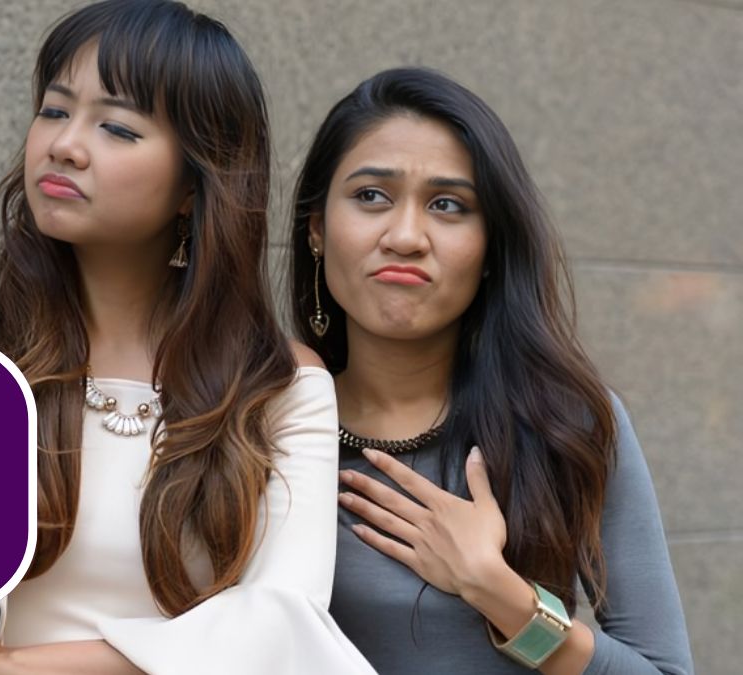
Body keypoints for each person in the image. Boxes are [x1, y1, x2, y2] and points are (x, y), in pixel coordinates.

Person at [0, 2, 376, 674]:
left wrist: (2, 669)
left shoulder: (279, 385)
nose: (64, 143)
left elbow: (279, 627)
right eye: (56, 110)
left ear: (193, 183)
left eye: (117, 127)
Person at [288, 67, 694, 674]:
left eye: (447, 205)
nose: (405, 236)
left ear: (490, 249)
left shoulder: (567, 423)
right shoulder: (262, 423)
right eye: (371, 196)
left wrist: (499, 592)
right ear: (317, 227)